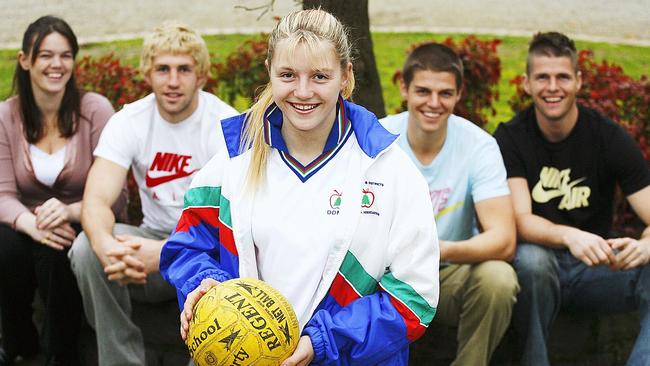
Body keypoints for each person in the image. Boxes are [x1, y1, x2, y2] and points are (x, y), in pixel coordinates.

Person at [159, 9, 440, 366]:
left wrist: (322, 342)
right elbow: (187, 246)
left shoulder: (389, 170)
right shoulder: (236, 157)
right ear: (270, 72)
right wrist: (207, 284)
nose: (303, 92)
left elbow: (415, 297)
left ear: (346, 76)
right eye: (288, 75)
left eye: (320, 76)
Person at [67, 22, 238, 366]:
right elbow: (96, 200)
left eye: (183, 70)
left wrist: (166, 252)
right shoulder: (130, 120)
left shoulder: (223, 124)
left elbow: (237, 224)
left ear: (201, 75)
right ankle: (121, 360)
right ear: (148, 73)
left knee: (238, 258)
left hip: (206, 250)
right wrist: (107, 247)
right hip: (146, 246)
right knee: (85, 248)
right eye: (163, 69)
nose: (172, 81)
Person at [494, 31, 650, 365]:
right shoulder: (511, 137)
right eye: (543, 77)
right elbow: (519, 220)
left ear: (578, 81)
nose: (553, 87)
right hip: (537, 272)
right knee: (532, 260)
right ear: (526, 83)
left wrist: (646, 244)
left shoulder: (607, 137)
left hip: (598, 269)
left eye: (562, 76)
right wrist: (570, 235)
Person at [380, 43, 518, 365]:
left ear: (459, 94)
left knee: (498, 278)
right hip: (385, 275)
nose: (433, 103)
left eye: (445, 94)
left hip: (448, 275)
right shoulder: (381, 139)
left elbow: (504, 238)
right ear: (404, 88)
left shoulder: (479, 146)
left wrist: (437, 249)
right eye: (423, 91)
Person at [0, 16, 119, 365]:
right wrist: (29, 222)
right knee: (5, 248)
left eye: (66, 55)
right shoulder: (6, 116)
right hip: (23, 220)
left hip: (83, 214)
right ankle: (18, 346)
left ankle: (61, 354)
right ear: (25, 61)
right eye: (46, 55)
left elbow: (117, 194)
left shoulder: (95, 110)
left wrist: (69, 211)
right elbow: (3, 193)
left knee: (60, 251)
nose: (57, 65)